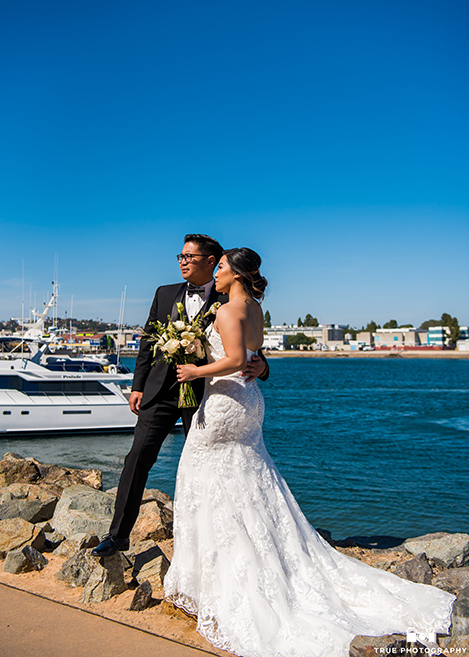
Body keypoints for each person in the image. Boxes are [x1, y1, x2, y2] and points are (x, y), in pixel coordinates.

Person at [164, 247, 455, 657]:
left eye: (223, 266)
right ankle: (258, 557)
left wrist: (194, 369)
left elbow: (232, 359)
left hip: (226, 400)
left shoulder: (227, 311)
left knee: (206, 478)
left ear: (238, 274)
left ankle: (216, 579)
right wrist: (257, 366)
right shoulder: (256, 310)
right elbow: (253, 357)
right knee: (249, 478)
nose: (218, 271)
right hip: (250, 402)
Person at [93, 234, 269, 558]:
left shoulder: (229, 297)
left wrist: (263, 368)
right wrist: (137, 386)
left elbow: (248, 349)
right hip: (160, 392)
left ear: (211, 261)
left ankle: (207, 543)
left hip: (205, 398)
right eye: (181, 256)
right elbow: (147, 343)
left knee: (202, 469)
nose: (183, 261)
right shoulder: (164, 294)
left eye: (190, 256)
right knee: (137, 460)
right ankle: (117, 536)